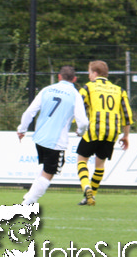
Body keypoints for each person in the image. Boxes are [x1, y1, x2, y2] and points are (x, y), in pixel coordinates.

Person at [16, 65, 88, 205]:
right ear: (74, 79)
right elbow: (83, 121)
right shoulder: (75, 95)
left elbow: (30, 112)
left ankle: (28, 197)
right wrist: (80, 132)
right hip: (56, 141)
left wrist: (22, 129)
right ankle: (27, 203)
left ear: (59, 77)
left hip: (39, 138)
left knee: (45, 169)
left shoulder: (46, 90)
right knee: (49, 172)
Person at [75, 60, 132, 206]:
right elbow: (127, 115)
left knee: (82, 160)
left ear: (95, 73)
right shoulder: (119, 90)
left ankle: (86, 187)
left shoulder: (88, 87)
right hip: (111, 132)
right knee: (100, 165)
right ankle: (91, 196)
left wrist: (78, 125)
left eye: (89, 72)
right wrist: (126, 135)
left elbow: (79, 107)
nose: (89, 76)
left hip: (93, 130)